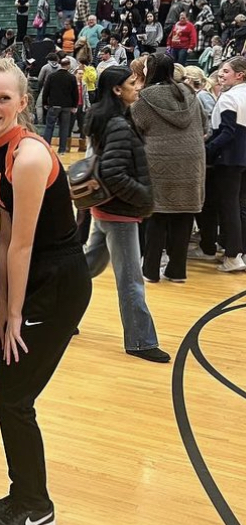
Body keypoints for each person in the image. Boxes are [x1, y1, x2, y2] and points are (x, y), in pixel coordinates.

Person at [0, 56, 92, 525]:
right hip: (32, 281)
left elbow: (24, 244)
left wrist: (17, 313)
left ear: (24, 102)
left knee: (14, 399)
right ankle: (21, 494)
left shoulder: (30, 156)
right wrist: (1, 302)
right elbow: (2, 231)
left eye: (3, 98)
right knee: (8, 396)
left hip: (55, 285)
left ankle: (37, 507)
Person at [83, 67, 170, 363]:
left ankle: (53, 311)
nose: (138, 87)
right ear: (117, 90)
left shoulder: (108, 118)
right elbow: (114, 173)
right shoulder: (118, 124)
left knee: (86, 267)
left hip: (107, 210)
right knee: (131, 280)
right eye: (132, 83)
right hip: (118, 213)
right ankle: (141, 342)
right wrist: (144, 197)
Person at [133, 53, 206, 282]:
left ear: (150, 70)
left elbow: (134, 128)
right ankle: (177, 271)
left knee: (157, 215)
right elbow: (204, 125)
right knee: (184, 214)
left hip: (159, 161)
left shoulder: (145, 97)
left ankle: (151, 270)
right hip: (192, 160)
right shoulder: (189, 92)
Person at [202, 57, 246, 272]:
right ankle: (239, 252)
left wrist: (206, 150)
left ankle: (232, 255)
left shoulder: (229, 97)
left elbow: (227, 132)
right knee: (239, 206)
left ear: (240, 75)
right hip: (242, 157)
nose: (221, 74)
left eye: (226, 71)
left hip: (229, 159)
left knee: (229, 207)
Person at [41, 57, 79, 153]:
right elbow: (75, 93)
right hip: (67, 106)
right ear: (69, 65)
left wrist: (45, 102)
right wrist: (74, 106)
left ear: (60, 64)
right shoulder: (72, 77)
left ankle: (46, 147)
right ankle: (62, 150)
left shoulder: (52, 76)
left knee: (49, 126)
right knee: (64, 128)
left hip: (54, 105)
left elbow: (46, 91)